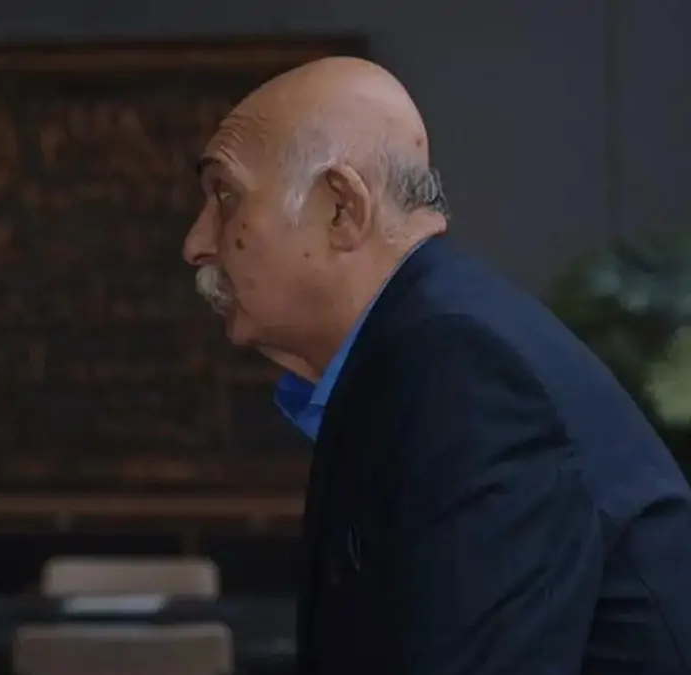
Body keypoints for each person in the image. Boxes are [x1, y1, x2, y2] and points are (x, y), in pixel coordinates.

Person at [184, 56, 691, 674]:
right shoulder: (421, 344)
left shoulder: (462, 369)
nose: (197, 243)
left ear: (341, 208)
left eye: (225, 196)